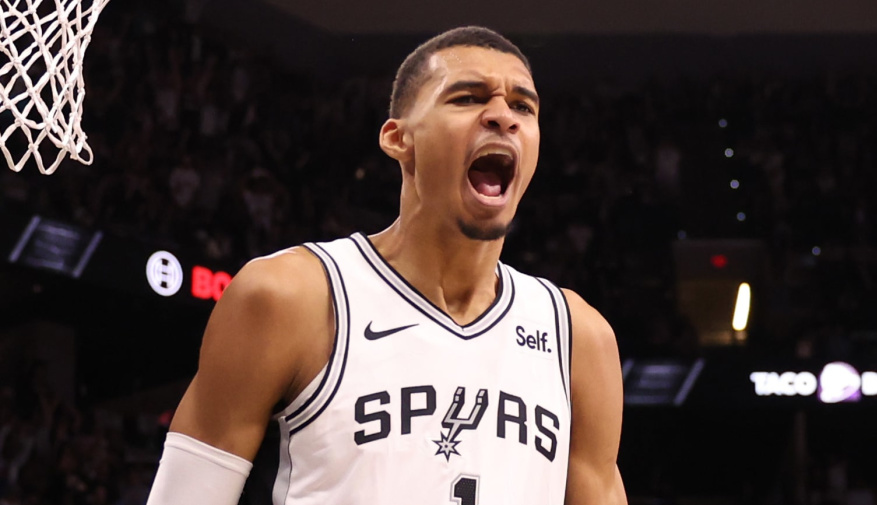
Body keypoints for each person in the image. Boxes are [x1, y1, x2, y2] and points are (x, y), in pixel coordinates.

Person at [147, 26, 627, 505]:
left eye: (523, 106)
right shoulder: (292, 296)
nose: (503, 116)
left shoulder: (579, 338)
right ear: (399, 139)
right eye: (467, 98)